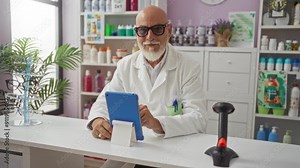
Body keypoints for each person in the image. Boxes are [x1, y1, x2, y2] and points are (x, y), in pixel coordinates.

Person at [87, 5, 207, 168]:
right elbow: (104, 102)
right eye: (143, 30)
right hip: (133, 146)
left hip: (172, 150)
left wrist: (156, 123)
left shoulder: (188, 67)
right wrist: (98, 120)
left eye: (157, 29)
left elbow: (198, 118)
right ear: (136, 33)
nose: (149, 37)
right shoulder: (125, 65)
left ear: (169, 30)